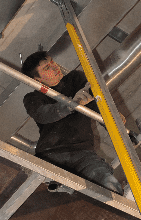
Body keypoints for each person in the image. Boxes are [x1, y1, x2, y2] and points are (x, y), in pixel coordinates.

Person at [22, 49, 122, 193]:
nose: (55, 67)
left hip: (83, 153)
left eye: (52, 62)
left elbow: (96, 105)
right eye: (47, 67)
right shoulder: (33, 98)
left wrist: (113, 121)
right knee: (44, 190)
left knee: (109, 185)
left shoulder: (75, 79)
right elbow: (44, 114)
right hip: (51, 154)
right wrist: (71, 104)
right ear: (37, 79)